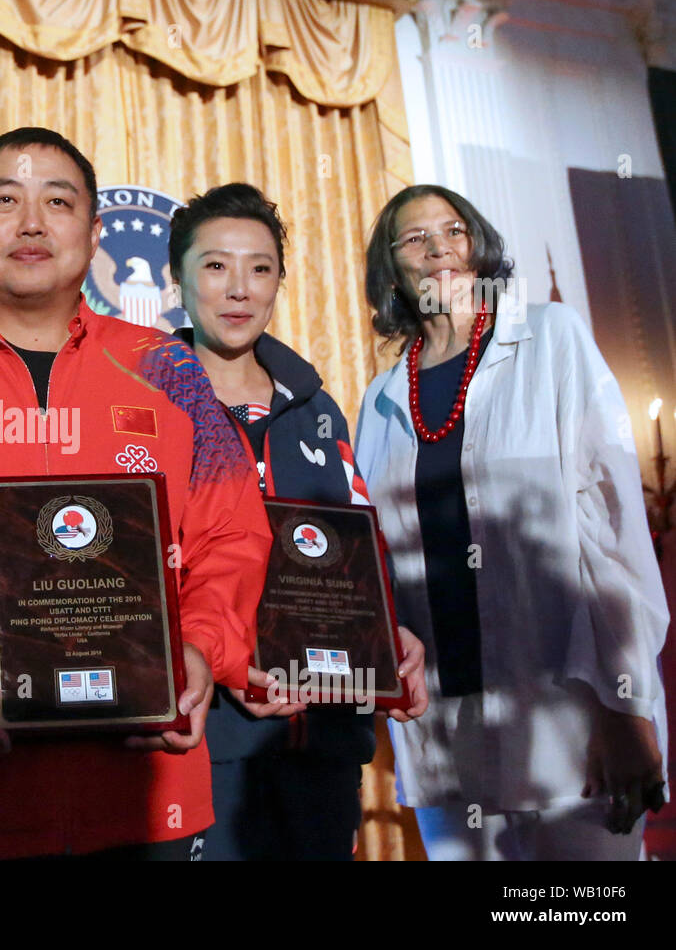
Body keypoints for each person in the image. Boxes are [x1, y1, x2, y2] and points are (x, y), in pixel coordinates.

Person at [0, 128, 273, 860]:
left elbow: (234, 532)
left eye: (56, 201)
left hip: (148, 793)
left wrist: (200, 646)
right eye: (6, 200)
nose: (31, 222)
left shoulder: (169, 371)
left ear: (94, 232)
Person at [354, 183, 668, 860]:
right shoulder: (377, 399)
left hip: (568, 721)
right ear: (391, 268)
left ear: (479, 246)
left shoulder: (551, 339)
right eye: (415, 237)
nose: (438, 245)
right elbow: (380, 563)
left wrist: (626, 706)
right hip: (445, 732)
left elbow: (614, 535)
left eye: (454, 229)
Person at [168, 183, 428, 860]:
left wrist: (388, 633)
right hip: (209, 739)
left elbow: (352, 547)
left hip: (325, 739)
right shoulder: (143, 407)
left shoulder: (318, 410)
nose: (239, 289)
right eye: (216, 265)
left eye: (260, 268)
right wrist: (224, 663)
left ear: (280, 280)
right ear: (178, 277)